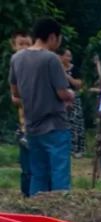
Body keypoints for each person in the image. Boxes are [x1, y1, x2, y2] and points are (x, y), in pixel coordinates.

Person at [8, 18, 74, 196]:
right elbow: (62, 93)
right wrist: (71, 95)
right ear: (52, 37)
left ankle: (38, 210)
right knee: (59, 172)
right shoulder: (51, 59)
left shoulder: (17, 58)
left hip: (31, 125)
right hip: (55, 125)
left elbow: (15, 92)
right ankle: (60, 213)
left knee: (38, 173)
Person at [9, 30, 33, 197]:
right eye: (20, 44)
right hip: (25, 123)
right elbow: (15, 98)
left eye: (27, 44)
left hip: (38, 122)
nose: (24, 47)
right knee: (26, 164)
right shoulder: (15, 66)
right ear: (13, 46)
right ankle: (26, 194)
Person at [59, 48, 85, 157]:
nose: (69, 58)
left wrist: (68, 77)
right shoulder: (55, 69)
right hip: (60, 100)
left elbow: (79, 84)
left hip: (74, 98)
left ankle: (77, 149)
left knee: (75, 123)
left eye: (70, 56)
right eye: (66, 55)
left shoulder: (74, 69)